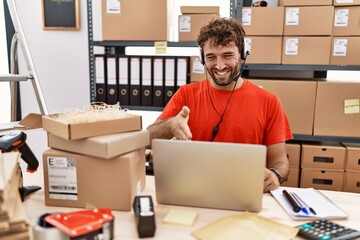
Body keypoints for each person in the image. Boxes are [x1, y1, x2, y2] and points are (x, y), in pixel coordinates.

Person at [147, 17, 293, 192]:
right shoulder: (186, 94)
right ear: (202, 58)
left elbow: (280, 161)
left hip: (245, 193)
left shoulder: (269, 101)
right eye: (211, 57)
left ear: (242, 54)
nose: (220, 65)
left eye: (227, 55)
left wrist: (275, 175)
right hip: (192, 191)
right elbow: (146, 138)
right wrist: (170, 126)